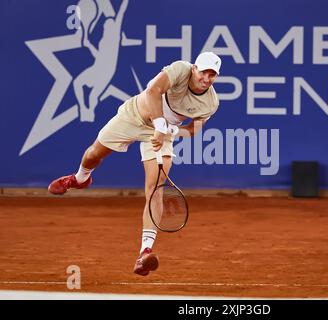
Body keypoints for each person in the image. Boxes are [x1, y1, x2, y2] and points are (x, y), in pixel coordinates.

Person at [48, 52, 222, 276]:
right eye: (204, 71)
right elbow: (153, 91)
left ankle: (144, 252)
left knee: (156, 188)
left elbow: (192, 131)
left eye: (212, 74)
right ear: (194, 68)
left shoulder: (211, 102)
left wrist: (167, 130)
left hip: (162, 134)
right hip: (134, 116)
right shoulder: (180, 69)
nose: (206, 78)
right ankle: (80, 178)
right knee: (93, 154)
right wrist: (160, 124)